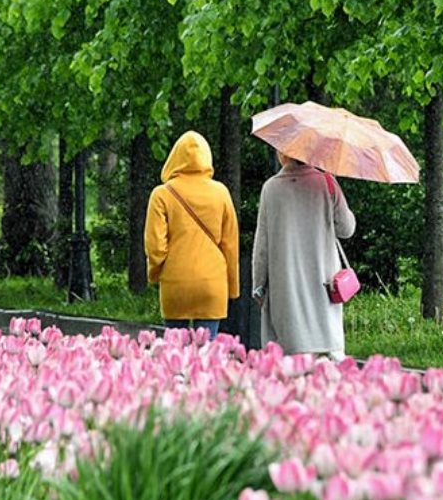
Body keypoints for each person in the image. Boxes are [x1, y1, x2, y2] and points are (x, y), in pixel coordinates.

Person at [252, 150, 356, 356]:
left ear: (282, 154)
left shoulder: (271, 189)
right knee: (327, 359)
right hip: (323, 287)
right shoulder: (327, 183)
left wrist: (259, 285)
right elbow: (347, 229)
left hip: (284, 289)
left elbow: (261, 246)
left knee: (288, 361)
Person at [144, 131, 239, 338]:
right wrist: (232, 288)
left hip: (175, 283)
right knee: (205, 358)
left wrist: (154, 274)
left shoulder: (162, 195)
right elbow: (230, 246)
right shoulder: (221, 192)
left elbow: (156, 248)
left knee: (174, 355)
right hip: (212, 284)